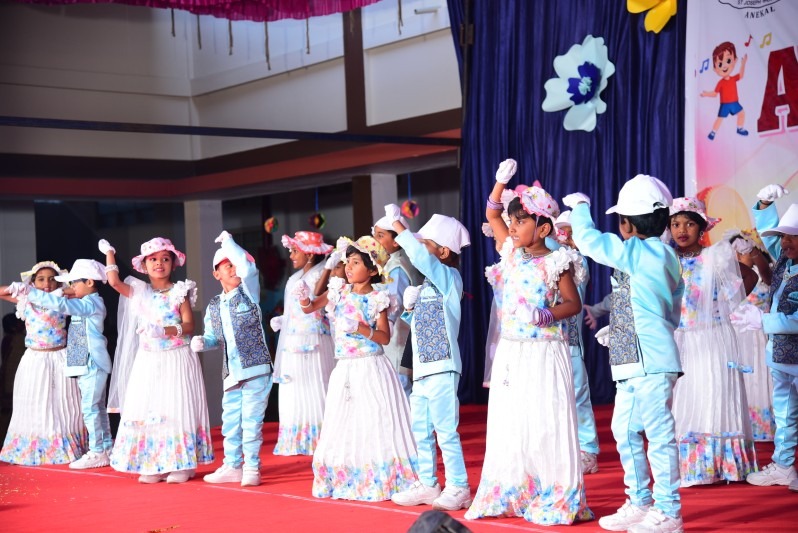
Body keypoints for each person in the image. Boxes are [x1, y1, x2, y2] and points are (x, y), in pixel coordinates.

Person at [464, 160, 590, 525]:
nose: (513, 228)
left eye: (521, 222)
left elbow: (573, 303)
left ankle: (552, 491)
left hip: (544, 350)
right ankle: (513, 489)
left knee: (545, 419)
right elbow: (492, 213)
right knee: (512, 419)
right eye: (513, 222)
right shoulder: (510, 252)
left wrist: (546, 314)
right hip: (513, 350)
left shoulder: (557, 261)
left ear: (543, 227)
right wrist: (499, 184)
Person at [566, 174, 684, 533]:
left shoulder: (644, 252)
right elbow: (662, 310)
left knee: (658, 436)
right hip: (635, 358)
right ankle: (640, 501)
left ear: (628, 224)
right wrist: (620, 330)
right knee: (625, 430)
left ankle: (669, 511)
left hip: (650, 360)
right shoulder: (658, 256)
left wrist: (581, 207)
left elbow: (589, 240)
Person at [298, 235, 417, 500]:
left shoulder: (378, 298)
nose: (349, 268)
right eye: (348, 262)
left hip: (371, 365)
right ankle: (346, 474)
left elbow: (384, 337)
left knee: (373, 418)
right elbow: (311, 308)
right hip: (344, 368)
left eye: (355, 263)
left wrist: (361, 328)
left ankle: (377, 475)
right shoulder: (338, 291)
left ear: (372, 270)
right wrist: (304, 298)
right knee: (343, 419)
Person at [100, 237, 213, 483]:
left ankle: (181, 463)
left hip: (176, 357)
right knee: (150, 408)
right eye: (152, 259)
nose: (159, 263)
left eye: (165, 259)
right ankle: (153, 462)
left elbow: (189, 325)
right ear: (144, 265)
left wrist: (164, 331)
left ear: (173, 263)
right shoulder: (140, 292)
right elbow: (114, 282)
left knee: (176, 407)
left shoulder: (180, 291)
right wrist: (109, 253)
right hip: (149, 358)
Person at [384, 209, 474, 513]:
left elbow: (422, 260)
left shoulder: (450, 278)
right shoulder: (428, 286)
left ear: (443, 252)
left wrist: (399, 226)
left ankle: (458, 486)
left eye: (426, 245)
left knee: (446, 431)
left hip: (443, 367)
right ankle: (427, 482)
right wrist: (410, 310)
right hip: (423, 369)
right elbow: (426, 322)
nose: (421, 251)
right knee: (420, 430)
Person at [667, 197, 758, 486]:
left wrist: (727, 302)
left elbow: (748, 277)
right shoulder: (667, 259)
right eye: (675, 224)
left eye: (689, 224)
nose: (682, 230)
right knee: (685, 398)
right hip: (680, 338)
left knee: (712, 394)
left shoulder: (714, 257)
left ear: (702, 227)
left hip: (712, 338)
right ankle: (693, 466)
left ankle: (719, 465)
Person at [191, 231, 273, 487]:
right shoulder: (214, 305)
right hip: (231, 373)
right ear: (216, 274)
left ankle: (252, 467)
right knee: (231, 422)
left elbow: (248, 269)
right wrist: (203, 342)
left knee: (251, 421)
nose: (235, 268)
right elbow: (214, 337)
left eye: (236, 263)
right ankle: (232, 465)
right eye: (228, 265)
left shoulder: (249, 292)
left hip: (256, 368)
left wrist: (229, 243)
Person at [22, 259, 114, 469]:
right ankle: (106, 446)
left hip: (92, 362)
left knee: (91, 408)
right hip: (85, 363)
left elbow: (62, 304)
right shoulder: (87, 301)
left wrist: (31, 292)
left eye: (74, 283)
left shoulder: (90, 303)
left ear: (89, 282)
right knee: (96, 407)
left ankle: (97, 450)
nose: (71, 287)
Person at [739, 185, 798, 491]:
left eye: (792, 237)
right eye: (784, 237)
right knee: (785, 416)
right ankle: (784, 467)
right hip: (781, 357)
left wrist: (763, 321)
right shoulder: (787, 261)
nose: (785, 242)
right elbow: (770, 236)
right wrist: (763, 203)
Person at [0, 261, 87, 465]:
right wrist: (21, 289)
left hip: (60, 357)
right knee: (35, 402)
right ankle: (33, 449)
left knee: (64, 403)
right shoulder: (26, 299)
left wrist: (61, 290)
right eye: (41, 279)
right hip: (35, 359)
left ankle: (66, 447)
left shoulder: (62, 298)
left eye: (52, 279)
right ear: (33, 282)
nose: (47, 283)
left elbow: (80, 291)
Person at [270, 231, 335, 456]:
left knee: (316, 384)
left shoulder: (323, 274)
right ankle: (296, 439)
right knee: (294, 387)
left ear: (309, 254)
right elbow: (293, 309)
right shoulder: (293, 279)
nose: (291, 256)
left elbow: (317, 299)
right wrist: (283, 320)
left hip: (314, 336)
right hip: (293, 337)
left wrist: (328, 269)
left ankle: (321, 438)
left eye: (295, 251)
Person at [554, 209, 601, 475]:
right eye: (562, 232)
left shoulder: (577, 262)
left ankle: (588, 450)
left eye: (571, 233)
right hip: (548, 341)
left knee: (578, 396)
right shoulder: (551, 260)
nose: (566, 238)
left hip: (570, 342)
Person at [726, 229, 775, 441]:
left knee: (761, 380)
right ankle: (743, 425)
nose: (738, 256)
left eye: (741, 251)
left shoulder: (765, 273)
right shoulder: (730, 277)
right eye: (734, 252)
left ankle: (765, 427)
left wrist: (753, 250)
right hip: (737, 337)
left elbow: (766, 274)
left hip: (759, 337)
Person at [372, 215, 422, 395]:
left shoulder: (397, 266)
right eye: (375, 235)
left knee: (399, 384)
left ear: (396, 241)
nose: (375, 240)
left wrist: (387, 325)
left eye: (380, 235)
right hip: (390, 332)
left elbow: (395, 301)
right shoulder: (388, 264)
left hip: (396, 332)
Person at [700, 41, 748, 140]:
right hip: (725, 104)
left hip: (734, 103)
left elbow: (741, 75)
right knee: (720, 118)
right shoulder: (721, 83)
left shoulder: (733, 79)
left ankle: (739, 128)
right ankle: (713, 132)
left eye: (728, 61)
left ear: (735, 60)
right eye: (720, 64)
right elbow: (715, 94)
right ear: (715, 69)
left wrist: (743, 64)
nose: (724, 66)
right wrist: (706, 94)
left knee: (742, 113)